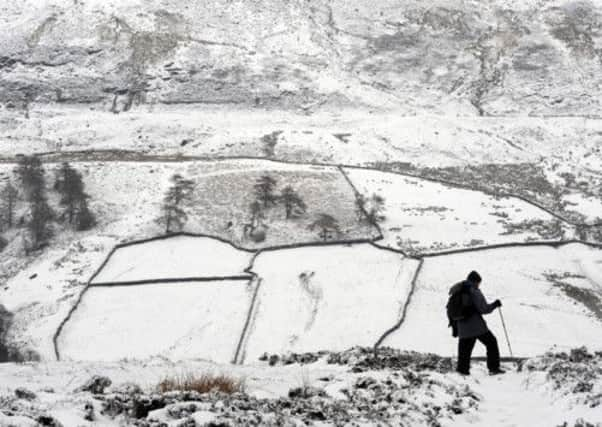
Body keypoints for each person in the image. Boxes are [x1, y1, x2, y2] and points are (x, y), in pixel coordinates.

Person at [450, 270, 504, 376]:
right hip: (476, 327)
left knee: (464, 351)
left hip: (462, 327)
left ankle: (462, 372)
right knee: (491, 342)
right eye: (479, 282)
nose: (479, 285)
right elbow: (484, 309)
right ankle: (493, 368)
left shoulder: (458, 289)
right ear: (476, 281)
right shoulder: (474, 291)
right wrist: (495, 304)